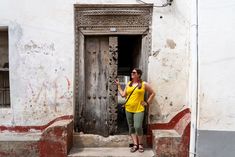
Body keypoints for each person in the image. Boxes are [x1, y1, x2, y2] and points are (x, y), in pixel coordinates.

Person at [115, 68, 155, 153]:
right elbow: (123, 95)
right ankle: (135, 144)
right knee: (131, 127)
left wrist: (147, 103)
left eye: (134, 72)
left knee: (138, 126)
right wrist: (118, 85)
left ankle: (140, 144)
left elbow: (153, 93)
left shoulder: (144, 84)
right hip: (128, 108)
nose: (132, 73)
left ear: (139, 74)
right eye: (132, 72)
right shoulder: (128, 84)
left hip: (139, 109)